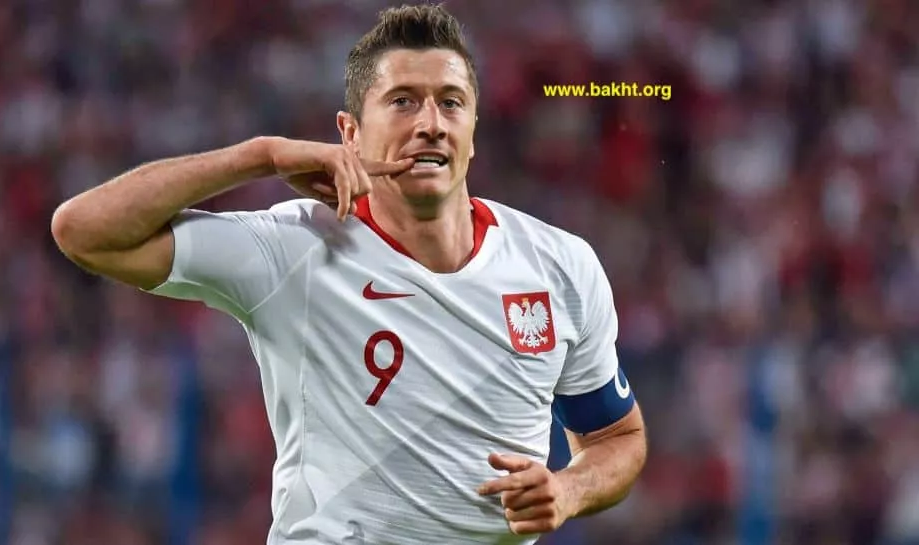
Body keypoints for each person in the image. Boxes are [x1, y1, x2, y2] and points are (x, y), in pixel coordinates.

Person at [51, 4, 647, 544]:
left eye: (451, 102)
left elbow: (616, 439)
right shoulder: (295, 248)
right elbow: (84, 230)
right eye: (403, 101)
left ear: (472, 132)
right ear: (350, 134)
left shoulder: (559, 265)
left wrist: (568, 490)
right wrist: (259, 156)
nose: (431, 123)